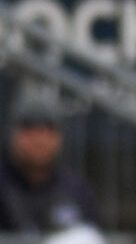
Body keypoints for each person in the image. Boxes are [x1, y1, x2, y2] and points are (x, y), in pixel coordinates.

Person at [0, 88, 96, 233]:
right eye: (29, 129)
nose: (39, 140)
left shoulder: (76, 190)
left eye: (47, 130)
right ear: (12, 134)